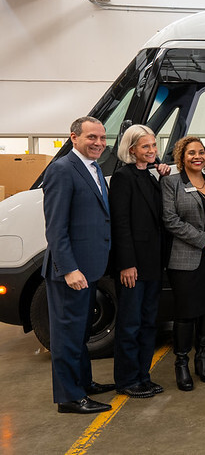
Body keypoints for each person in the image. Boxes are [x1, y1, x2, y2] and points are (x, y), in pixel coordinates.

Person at [42, 116, 115, 414]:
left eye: (101, 137)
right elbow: (56, 227)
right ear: (74, 137)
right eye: (91, 137)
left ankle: (83, 383)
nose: (98, 143)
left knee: (80, 334)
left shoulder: (93, 167)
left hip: (89, 269)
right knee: (67, 337)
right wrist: (69, 268)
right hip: (70, 272)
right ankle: (69, 398)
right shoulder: (62, 170)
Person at [162, 136, 205, 391]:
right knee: (186, 312)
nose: (198, 156)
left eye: (202, 152)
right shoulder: (171, 183)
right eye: (191, 152)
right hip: (185, 259)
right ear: (181, 157)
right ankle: (181, 364)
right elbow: (171, 220)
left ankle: (203, 360)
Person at [109, 125, 170, 398]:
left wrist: (164, 174)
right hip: (133, 266)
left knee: (148, 323)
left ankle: (143, 376)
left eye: (154, 146)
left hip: (153, 263)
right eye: (146, 147)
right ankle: (126, 380)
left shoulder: (151, 177)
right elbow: (120, 224)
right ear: (131, 149)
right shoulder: (123, 177)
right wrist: (126, 263)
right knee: (130, 324)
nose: (152, 151)